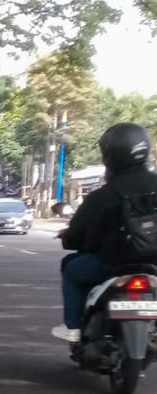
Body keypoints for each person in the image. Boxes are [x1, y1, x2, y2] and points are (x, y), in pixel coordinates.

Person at [55, 122, 157, 342]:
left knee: (71, 269)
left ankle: (73, 326)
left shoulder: (103, 195)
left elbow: (77, 237)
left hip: (110, 265)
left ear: (110, 155)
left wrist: (68, 237)